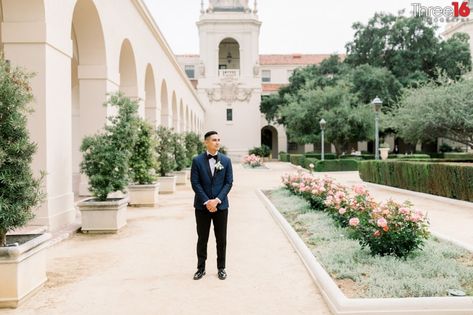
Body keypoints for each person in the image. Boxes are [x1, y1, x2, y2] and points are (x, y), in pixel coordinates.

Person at [190, 131, 233, 280]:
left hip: (221, 206)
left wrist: (217, 200)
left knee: (221, 239)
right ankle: (200, 268)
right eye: (214, 140)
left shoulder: (226, 161)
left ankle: (221, 268)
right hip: (202, 207)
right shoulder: (197, 161)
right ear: (206, 142)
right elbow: (195, 183)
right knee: (202, 238)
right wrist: (207, 201)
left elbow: (229, 182)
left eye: (219, 140)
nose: (217, 142)